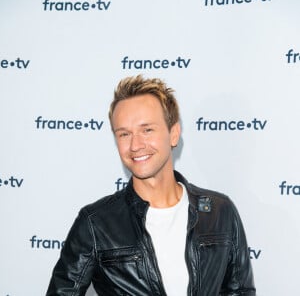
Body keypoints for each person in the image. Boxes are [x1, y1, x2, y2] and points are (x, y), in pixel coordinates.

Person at [46, 75, 256, 295]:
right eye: (124, 134)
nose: (135, 145)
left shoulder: (219, 211)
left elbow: (239, 291)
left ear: (173, 134)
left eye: (147, 130)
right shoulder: (95, 223)